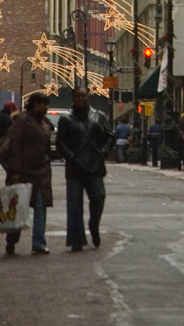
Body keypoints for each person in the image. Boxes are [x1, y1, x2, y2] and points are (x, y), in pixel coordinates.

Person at [56, 86, 114, 251]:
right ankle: (76, 240)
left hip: (94, 166)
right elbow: (60, 143)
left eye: (83, 95)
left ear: (87, 97)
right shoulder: (66, 120)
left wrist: (103, 152)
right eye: (78, 96)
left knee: (98, 197)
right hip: (75, 168)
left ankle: (93, 225)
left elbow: (110, 137)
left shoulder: (99, 117)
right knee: (74, 204)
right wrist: (71, 157)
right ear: (73, 99)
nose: (81, 98)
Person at [1, 92, 53, 255]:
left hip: (41, 172)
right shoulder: (23, 121)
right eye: (42, 104)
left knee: (40, 207)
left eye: (46, 104)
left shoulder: (44, 123)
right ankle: (12, 240)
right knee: (18, 209)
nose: (45, 107)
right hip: (24, 172)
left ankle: (38, 242)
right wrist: (15, 171)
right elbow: (14, 146)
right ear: (34, 104)